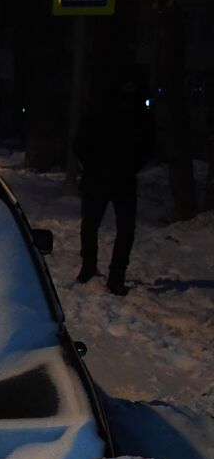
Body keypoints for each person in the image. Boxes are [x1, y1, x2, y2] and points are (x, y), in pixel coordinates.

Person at [72, 76, 156, 296]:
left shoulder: (138, 116)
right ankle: (90, 267)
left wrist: (131, 167)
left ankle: (115, 273)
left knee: (124, 229)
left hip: (122, 179)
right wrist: (93, 165)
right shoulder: (101, 113)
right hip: (100, 178)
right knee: (92, 225)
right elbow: (80, 143)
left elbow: (147, 145)